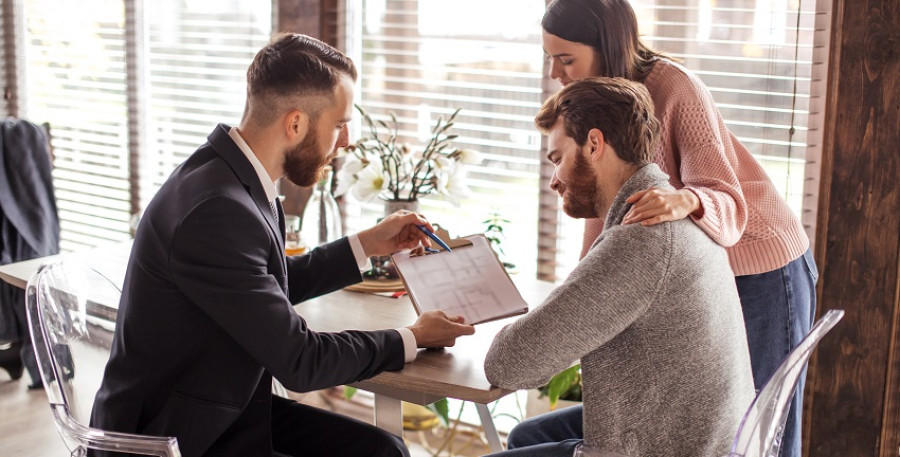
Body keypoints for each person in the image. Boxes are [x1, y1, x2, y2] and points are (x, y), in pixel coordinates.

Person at [89, 33, 475, 457]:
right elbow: (301, 362)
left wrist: (366, 244)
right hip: (175, 438)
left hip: (219, 411)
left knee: (381, 449)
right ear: (296, 123)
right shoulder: (217, 210)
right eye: (340, 124)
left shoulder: (230, 174)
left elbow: (268, 282)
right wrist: (412, 336)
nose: (345, 142)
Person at [540, 1, 818, 456]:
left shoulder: (673, 86)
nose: (555, 72)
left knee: (760, 434)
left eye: (566, 59)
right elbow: (601, 206)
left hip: (761, 264)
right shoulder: (591, 104)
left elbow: (726, 196)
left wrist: (686, 199)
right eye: (549, 57)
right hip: (702, 273)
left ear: (607, 45)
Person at [484, 77, 755, 457]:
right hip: (707, 434)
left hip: (672, 447)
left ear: (594, 144)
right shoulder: (673, 211)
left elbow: (508, 365)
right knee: (528, 436)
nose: (553, 182)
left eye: (558, 159)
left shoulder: (641, 238)